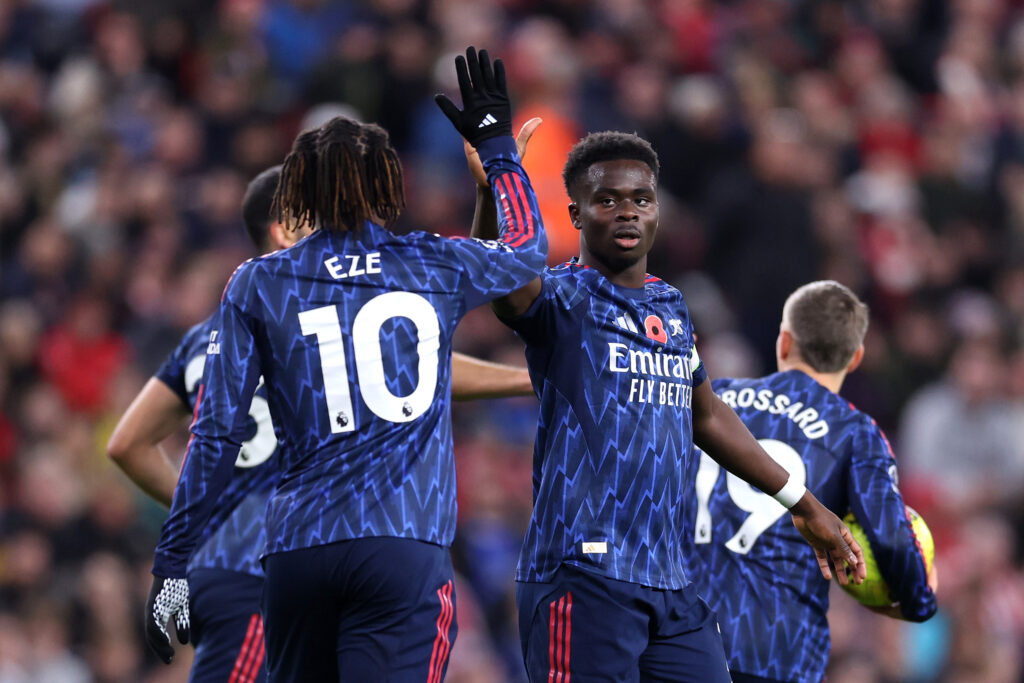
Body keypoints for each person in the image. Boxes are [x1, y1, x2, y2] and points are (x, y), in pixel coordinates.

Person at [145, 46, 547, 682]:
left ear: (298, 190)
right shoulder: (429, 264)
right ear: (388, 184)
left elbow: (216, 433)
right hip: (401, 544)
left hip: (297, 553)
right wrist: (498, 153)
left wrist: (172, 564)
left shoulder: (258, 282)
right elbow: (525, 249)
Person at [467, 130, 863, 682]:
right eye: (607, 200)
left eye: (641, 199)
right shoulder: (562, 298)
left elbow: (706, 415)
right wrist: (492, 189)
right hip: (583, 573)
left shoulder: (670, 306)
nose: (627, 211)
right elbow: (501, 279)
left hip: (669, 582)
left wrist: (802, 503)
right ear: (576, 214)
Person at [688, 280, 938, 683]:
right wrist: (918, 601)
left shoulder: (715, 403)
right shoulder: (854, 431)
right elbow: (891, 539)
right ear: (855, 358)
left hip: (678, 642)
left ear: (784, 342)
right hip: (778, 653)